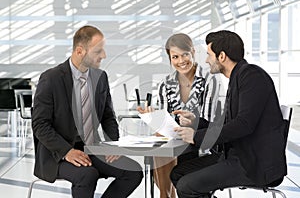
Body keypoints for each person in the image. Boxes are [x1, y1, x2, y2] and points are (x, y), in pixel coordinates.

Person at [170, 30, 287, 198]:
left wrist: (196, 137)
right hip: (236, 155)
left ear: (222, 56)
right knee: (178, 173)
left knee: (186, 186)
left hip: (253, 163)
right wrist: (197, 122)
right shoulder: (238, 78)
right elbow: (225, 125)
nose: (206, 60)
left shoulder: (251, 76)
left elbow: (243, 124)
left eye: (209, 55)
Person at [31, 25, 143, 198]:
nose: (104, 55)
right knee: (87, 174)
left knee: (133, 171)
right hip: (58, 154)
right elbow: (40, 125)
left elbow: (108, 117)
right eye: (98, 51)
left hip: (91, 148)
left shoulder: (100, 77)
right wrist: (67, 151)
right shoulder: (51, 78)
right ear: (80, 51)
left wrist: (113, 144)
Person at [137, 33, 221, 198]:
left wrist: (192, 122)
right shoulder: (165, 84)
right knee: (160, 143)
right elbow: (164, 120)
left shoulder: (209, 80)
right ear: (170, 58)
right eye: (175, 57)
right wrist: (153, 117)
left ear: (193, 52)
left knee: (171, 150)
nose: (181, 61)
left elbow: (209, 120)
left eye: (185, 55)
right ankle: (166, 194)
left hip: (201, 139)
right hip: (174, 141)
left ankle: (168, 194)